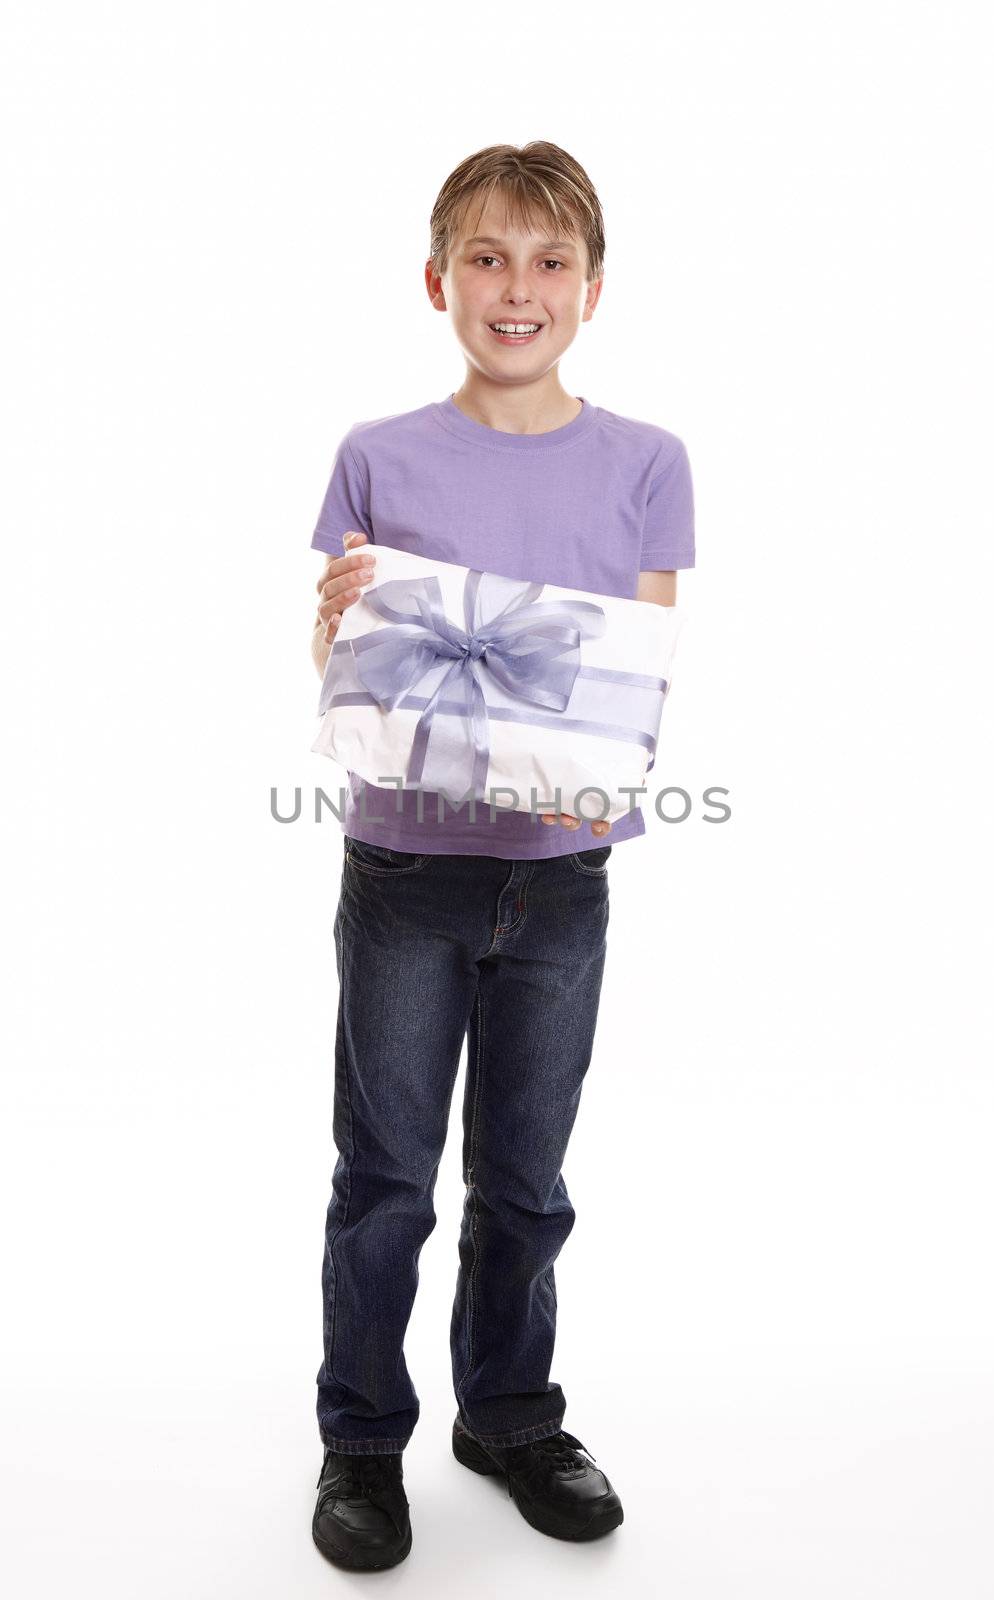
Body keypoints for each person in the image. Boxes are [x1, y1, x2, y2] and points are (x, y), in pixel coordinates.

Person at [307, 140, 695, 1571]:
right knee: (387, 1178)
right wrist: (336, 628)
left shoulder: (648, 463)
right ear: (437, 280)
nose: (514, 287)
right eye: (485, 256)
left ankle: (509, 1415)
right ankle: (360, 1443)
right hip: (406, 871)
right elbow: (342, 666)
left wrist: (605, 772)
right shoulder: (378, 454)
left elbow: (640, 665)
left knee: (526, 1179)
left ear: (590, 290)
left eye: (545, 262)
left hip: (561, 877)